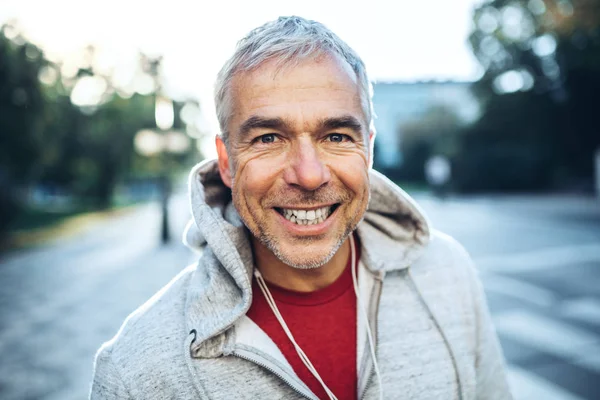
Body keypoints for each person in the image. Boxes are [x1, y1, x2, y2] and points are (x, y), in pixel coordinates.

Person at [90, 16, 512, 400]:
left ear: (367, 148)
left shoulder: (450, 274)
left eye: (337, 136)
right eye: (269, 138)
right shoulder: (135, 372)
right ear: (226, 162)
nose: (308, 176)